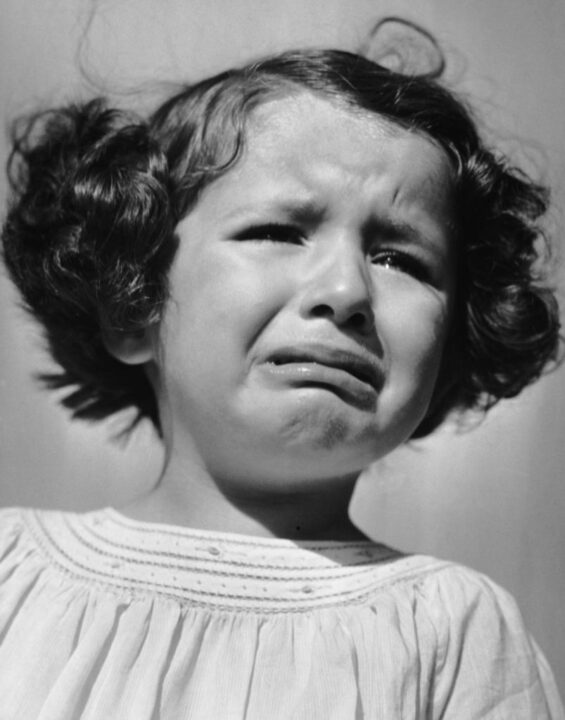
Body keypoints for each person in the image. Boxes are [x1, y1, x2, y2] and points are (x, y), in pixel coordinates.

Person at [0, 47, 563, 719]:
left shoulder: (452, 628)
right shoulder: (12, 572)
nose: (345, 290)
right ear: (132, 303)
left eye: (398, 258)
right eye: (278, 231)